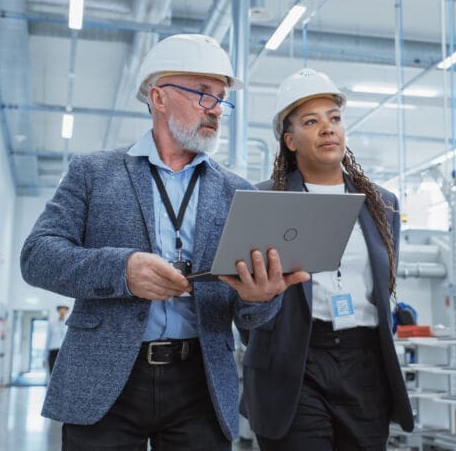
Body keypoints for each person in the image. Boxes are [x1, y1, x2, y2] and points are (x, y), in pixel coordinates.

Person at [20, 34, 309, 450]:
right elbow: (37, 256)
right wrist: (122, 271)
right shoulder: (94, 172)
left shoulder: (238, 193)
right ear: (158, 97)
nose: (216, 110)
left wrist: (260, 298)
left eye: (221, 99)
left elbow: (250, 320)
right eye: (203, 94)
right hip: (105, 378)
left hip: (201, 383)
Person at [240, 68, 414, 450]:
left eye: (334, 118)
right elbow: (244, 298)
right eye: (311, 121)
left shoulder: (382, 204)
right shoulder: (264, 201)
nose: (327, 128)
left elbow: (384, 286)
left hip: (364, 362)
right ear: (289, 140)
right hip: (293, 363)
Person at [46, 305, 69, 375]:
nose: (62, 311)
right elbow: (47, 340)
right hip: (53, 352)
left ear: (67, 311)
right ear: (58, 310)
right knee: (52, 374)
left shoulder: (69, 325)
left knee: (64, 374)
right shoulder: (52, 324)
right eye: (60, 309)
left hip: (65, 352)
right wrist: (44, 357)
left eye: (64, 309)